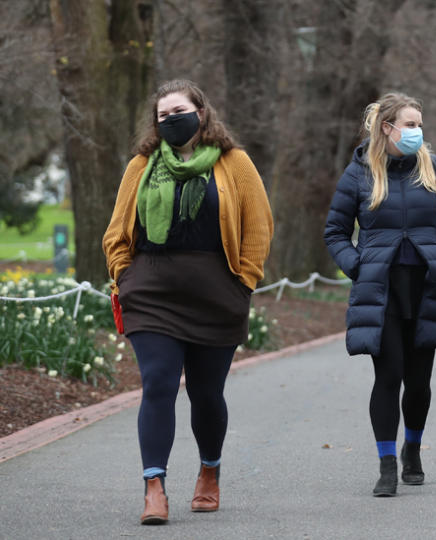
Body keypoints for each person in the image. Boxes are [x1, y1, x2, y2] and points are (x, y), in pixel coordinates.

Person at [102, 79, 274, 524]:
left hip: (217, 293)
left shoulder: (234, 163)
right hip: (152, 291)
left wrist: (245, 282)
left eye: (179, 110)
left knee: (205, 392)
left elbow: (258, 226)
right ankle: (154, 488)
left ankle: (209, 472)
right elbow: (117, 231)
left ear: (201, 112)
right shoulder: (141, 165)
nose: (171, 120)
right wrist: (125, 274)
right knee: (158, 382)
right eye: (162, 115)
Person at [324, 92, 436, 497]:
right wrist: (359, 266)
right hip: (381, 291)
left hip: (426, 288)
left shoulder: (432, 167)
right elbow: (335, 232)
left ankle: (413, 450)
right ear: (386, 127)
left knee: (419, 382)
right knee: (388, 376)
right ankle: (386, 464)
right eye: (409, 124)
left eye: (419, 124)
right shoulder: (359, 173)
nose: (417, 132)